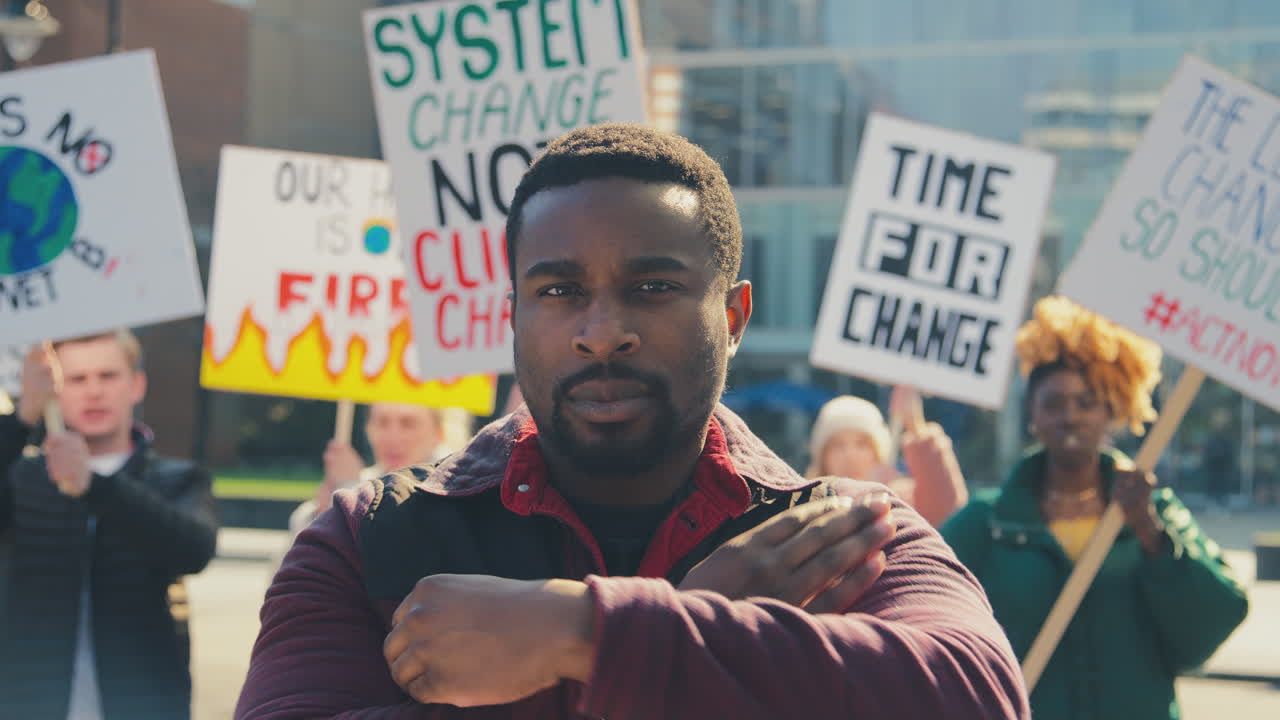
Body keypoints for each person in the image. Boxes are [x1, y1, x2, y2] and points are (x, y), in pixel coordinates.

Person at [236, 124, 1028, 719]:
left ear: (736, 315)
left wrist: (581, 632)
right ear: (511, 315)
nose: (601, 329)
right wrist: (704, 620)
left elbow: (981, 697)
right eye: (558, 291)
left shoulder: (846, 534)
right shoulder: (364, 539)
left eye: (652, 287)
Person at [940, 296, 1249, 720]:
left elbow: (1212, 622)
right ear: (1031, 414)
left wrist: (1151, 535)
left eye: (1086, 403)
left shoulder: (1155, 513)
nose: (1070, 417)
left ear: (1112, 411)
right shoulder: (984, 523)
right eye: (1053, 403)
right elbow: (931, 622)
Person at [0, 333, 218, 719]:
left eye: (108, 375)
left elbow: (194, 549)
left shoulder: (176, 478)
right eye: (77, 379)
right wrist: (20, 420)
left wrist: (95, 487)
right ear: (53, 387)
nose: (94, 391)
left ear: (136, 385)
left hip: (142, 702)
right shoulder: (21, 478)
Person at [288, 402, 471, 536]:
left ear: (439, 432)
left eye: (408, 424)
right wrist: (321, 513)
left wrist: (350, 491)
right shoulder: (364, 479)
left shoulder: (455, 491)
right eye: (382, 422)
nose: (392, 437)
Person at [807, 386, 967, 526]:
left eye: (861, 444)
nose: (850, 454)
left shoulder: (898, 498)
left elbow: (947, 512)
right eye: (838, 445)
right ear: (823, 456)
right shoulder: (805, 502)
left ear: (877, 452)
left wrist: (914, 424)